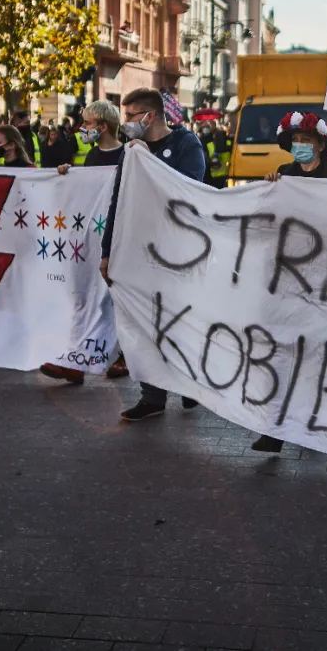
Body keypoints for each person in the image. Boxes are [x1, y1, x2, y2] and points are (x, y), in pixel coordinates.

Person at [249, 111, 327, 455]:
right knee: (281, 350)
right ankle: (275, 428)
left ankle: (313, 422)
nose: (299, 146)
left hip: (324, 280)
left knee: (315, 355)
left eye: (306, 141)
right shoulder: (284, 175)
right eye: (295, 141)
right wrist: (268, 190)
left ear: (321, 145)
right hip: (287, 277)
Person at [105, 88, 207, 421]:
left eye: (130, 116)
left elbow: (190, 190)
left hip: (179, 253)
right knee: (145, 322)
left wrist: (150, 161)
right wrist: (107, 251)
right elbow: (118, 201)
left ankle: (189, 384)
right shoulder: (131, 151)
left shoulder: (186, 144)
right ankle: (152, 395)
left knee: (178, 321)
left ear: (149, 116)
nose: (125, 123)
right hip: (140, 251)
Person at [40, 100, 131, 384]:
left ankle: (124, 355)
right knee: (86, 296)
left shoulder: (129, 155)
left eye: (88, 124)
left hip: (121, 236)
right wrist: (70, 175)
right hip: (93, 238)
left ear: (103, 127)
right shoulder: (91, 156)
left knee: (116, 298)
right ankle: (79, 359)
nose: (82, 129)